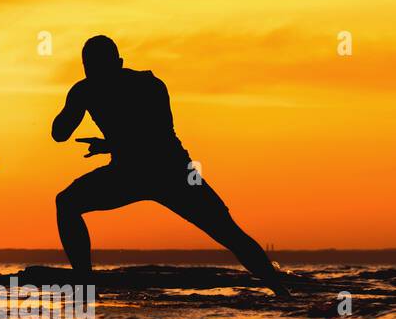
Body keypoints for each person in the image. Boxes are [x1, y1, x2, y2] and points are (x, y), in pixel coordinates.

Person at [51, 35, 289, 296]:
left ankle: (281, 290)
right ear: (85, 68)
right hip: (127, 173)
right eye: (91, 68)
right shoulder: (85, 90)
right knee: (67, 202)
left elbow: (156, 135)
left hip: (173, 172)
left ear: (119, 63)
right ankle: (85, 283)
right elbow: (59, 134)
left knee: (227, 230)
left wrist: (107, 142)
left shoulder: (149, 85)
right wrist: (76, 101)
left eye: (102, 67)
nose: (98, 74)